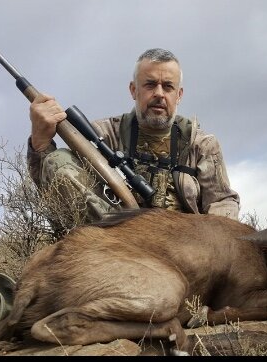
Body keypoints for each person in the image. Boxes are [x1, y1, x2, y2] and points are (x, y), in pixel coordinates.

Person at [26, 48, 240, 228]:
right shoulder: (103, 134)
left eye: (168, 86)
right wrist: (41, 144)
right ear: (133, 90)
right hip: (116, 242)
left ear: (179, 95)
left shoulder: (201, 145)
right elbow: (53, 189)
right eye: (149, 84)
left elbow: (222, 202)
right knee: (59, 160)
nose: (159, 93)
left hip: (183, 253)